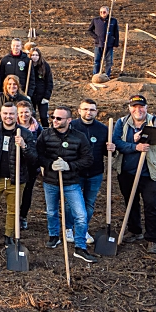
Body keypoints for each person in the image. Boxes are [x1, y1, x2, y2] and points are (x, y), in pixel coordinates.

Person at [113, 95, 156, 254]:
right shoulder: (121, 123)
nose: (138, 110)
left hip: (150, 173)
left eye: (141, 107)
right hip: (127, 172)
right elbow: (116, 143)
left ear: (146, 108)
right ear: (129, 108)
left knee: (150, 204)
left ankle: (152, 239)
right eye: (134, 107)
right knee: (130, 202)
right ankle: (135, 230)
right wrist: (134, 146)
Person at [36, 106, 97, 262]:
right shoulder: (45, 135)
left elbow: (88, 159)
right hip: (50, 181)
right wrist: (50, 164)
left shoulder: (79, 137)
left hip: (71, 182)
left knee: (81, 215)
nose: (54, 121)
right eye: (53, 118)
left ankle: (80, 246)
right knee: (51, 212)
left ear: (69, 120)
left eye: (59, 118)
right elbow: (38, 155)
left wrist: (69, 165)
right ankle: (54, 236)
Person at [0, 103, 38, 246]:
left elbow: (34, 159)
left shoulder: (26, 134)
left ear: (16, 116)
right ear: (0, 114)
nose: (8, 116)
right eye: (5, 113)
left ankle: (9, 234)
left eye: (11, 114)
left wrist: (24, 146)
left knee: (13, 209)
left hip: (16, 179)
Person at [65, 99, 114, 245]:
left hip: (95, 172)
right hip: (75, 172)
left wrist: (111, 149)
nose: (89, 112)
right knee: (71, 203)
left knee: (89, 202)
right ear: (79, 111)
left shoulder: (103, 129)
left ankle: (82, 229)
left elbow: (106, 152)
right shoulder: (71, 126)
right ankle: (68, 227)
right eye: (85, 109)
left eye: (92, 110)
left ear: (96, 112)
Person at [16, 100, 42, 230]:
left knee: (27, 192)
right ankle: (13, 217)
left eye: (26, 112)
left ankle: (23, 217)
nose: (24, 115)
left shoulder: (38, 129)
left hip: (31, 165)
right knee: (14, 192)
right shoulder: (12, 126)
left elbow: (41, 147)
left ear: (31, 112)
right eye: (21, 112)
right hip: (14, 164)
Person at [88, 6, 120, 77]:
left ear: (108, 12)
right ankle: (96, 75)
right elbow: (89, 30)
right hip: (98, 44)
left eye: (104, 12)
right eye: (101, 12)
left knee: (109, 61)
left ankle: (107, 75)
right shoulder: (95, 20)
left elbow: (116, 32)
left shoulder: (113, 21)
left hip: (109, 44)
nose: (102, 13)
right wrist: (96, 38)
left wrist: (116, 42)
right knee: (97, 61)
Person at [29, 48, 54, 127]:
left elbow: (49, 82)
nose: (34, 57)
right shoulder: (28, 66)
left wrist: (46, 97)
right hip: (31, 95)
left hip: (42, 96)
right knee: (31, 116)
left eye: (36, 55)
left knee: (43, 117)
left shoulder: (45, 66)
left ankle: (46, 131)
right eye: (33, 55)